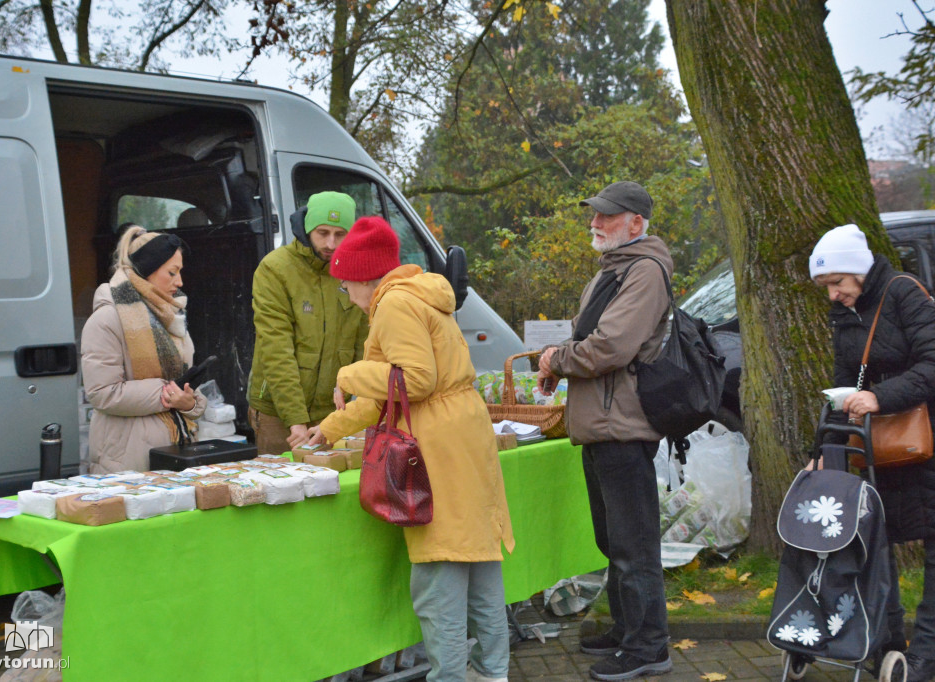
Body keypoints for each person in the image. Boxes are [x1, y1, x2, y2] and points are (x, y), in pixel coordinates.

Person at [304, 216, 515, 682]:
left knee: (439, 573)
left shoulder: (394, 305)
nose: (349, 296)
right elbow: (390, 392)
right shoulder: (418, 294)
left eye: (346, 286)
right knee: (479, 562)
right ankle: (492, 673)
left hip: (436, 447)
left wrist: (346, 374)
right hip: (462, 437)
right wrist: (331, 427)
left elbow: (414, 381)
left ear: (362, 277)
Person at [536, 181, 673, 680]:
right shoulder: (609, 272)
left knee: (635, 544)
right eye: (593, 215)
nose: (594, 223)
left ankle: (649, 647)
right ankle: (626, 629)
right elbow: (582, 336)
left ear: (635, 223)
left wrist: (559, 359)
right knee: (612, 538)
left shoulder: (645, 272)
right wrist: (556, 361)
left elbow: (610, 347)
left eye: (607, 216)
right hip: (598, 425)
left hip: (624, 425)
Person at [810, 223, 935, 681]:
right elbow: (845, 387)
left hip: (927, 439)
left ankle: (926, 654)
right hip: (883, 449)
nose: (833, 295)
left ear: (859, 271)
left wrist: (882, 397)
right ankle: (889, 646)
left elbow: (933, 362)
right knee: (878, 545)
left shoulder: (904, 293)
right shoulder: (846, 313)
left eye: (837, 283)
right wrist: (822, 450)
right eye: (826, 287)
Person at [246, 191, 369, 455]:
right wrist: (295, 420)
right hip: (278, 414)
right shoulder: (275, 269)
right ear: (306, 227)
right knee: (281, 490)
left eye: (340, 234)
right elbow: (276, 347)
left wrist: (355, 410)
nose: (331, 243)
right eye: (322, 232)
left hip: (333, 413)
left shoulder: (357, 271)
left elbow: (365, 346)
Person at [81, 225, 206, 473]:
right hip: (127, 464)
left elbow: (185, 385)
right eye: (171, 273)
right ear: (147, 270)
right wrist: (167, 393)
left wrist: (190, 403)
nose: (179, 282)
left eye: (180, 272)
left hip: (176, 455)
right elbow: (102, 393)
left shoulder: (171, 317)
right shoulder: (107, 319)